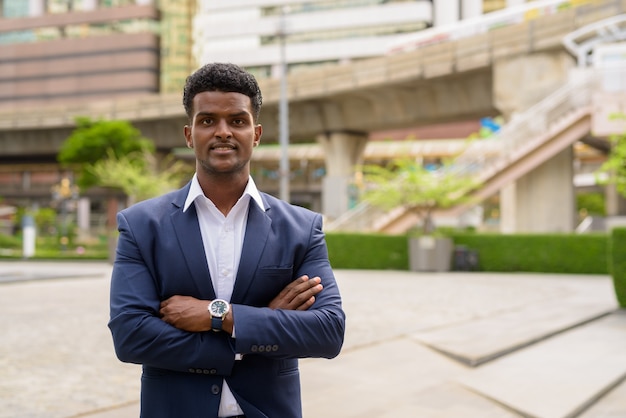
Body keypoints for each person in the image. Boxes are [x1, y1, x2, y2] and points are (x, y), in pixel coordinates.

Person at [108, 62, 346, 418]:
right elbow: (131, 336)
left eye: (237, 120)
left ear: (257, 133)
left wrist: (219, 315)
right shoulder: (142, 226)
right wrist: (257, 327)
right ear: (189, 135)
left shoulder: (301, 227)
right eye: (207, 121)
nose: (222, 132)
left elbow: (328, 331)